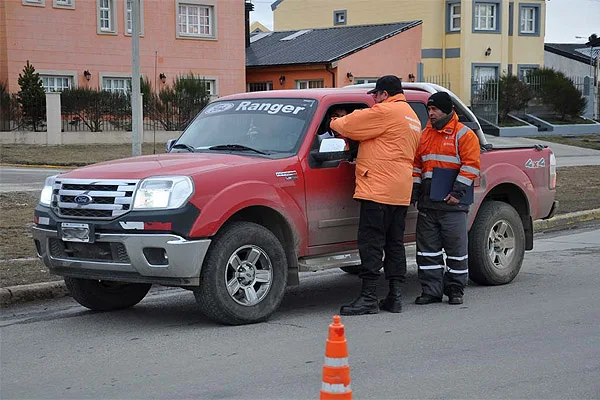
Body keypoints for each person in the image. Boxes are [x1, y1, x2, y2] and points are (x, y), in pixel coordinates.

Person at [330, 75, 422, 315]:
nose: (373, 99)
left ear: (384, 94)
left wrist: (334, 120)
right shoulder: (412, 116)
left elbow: (349, 126)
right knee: (394, 244)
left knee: (371, 243)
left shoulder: (385, 111)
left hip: (378, 189)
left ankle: (369, 297)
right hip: (400, 190)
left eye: (375, 95)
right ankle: (395, 296)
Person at [411, 91, 481, 305]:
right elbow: (417, 165)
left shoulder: (464, 134)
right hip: (428, 203)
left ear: (447, 110)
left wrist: (457, 193)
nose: (430, 113)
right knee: (427, 252)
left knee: (456, 251)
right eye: (429, 109)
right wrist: (414, 191)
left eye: (435, 109)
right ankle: (431, 291)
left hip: (453, 204)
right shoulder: (425, 135)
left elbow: (471, 166)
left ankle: (455, 290)